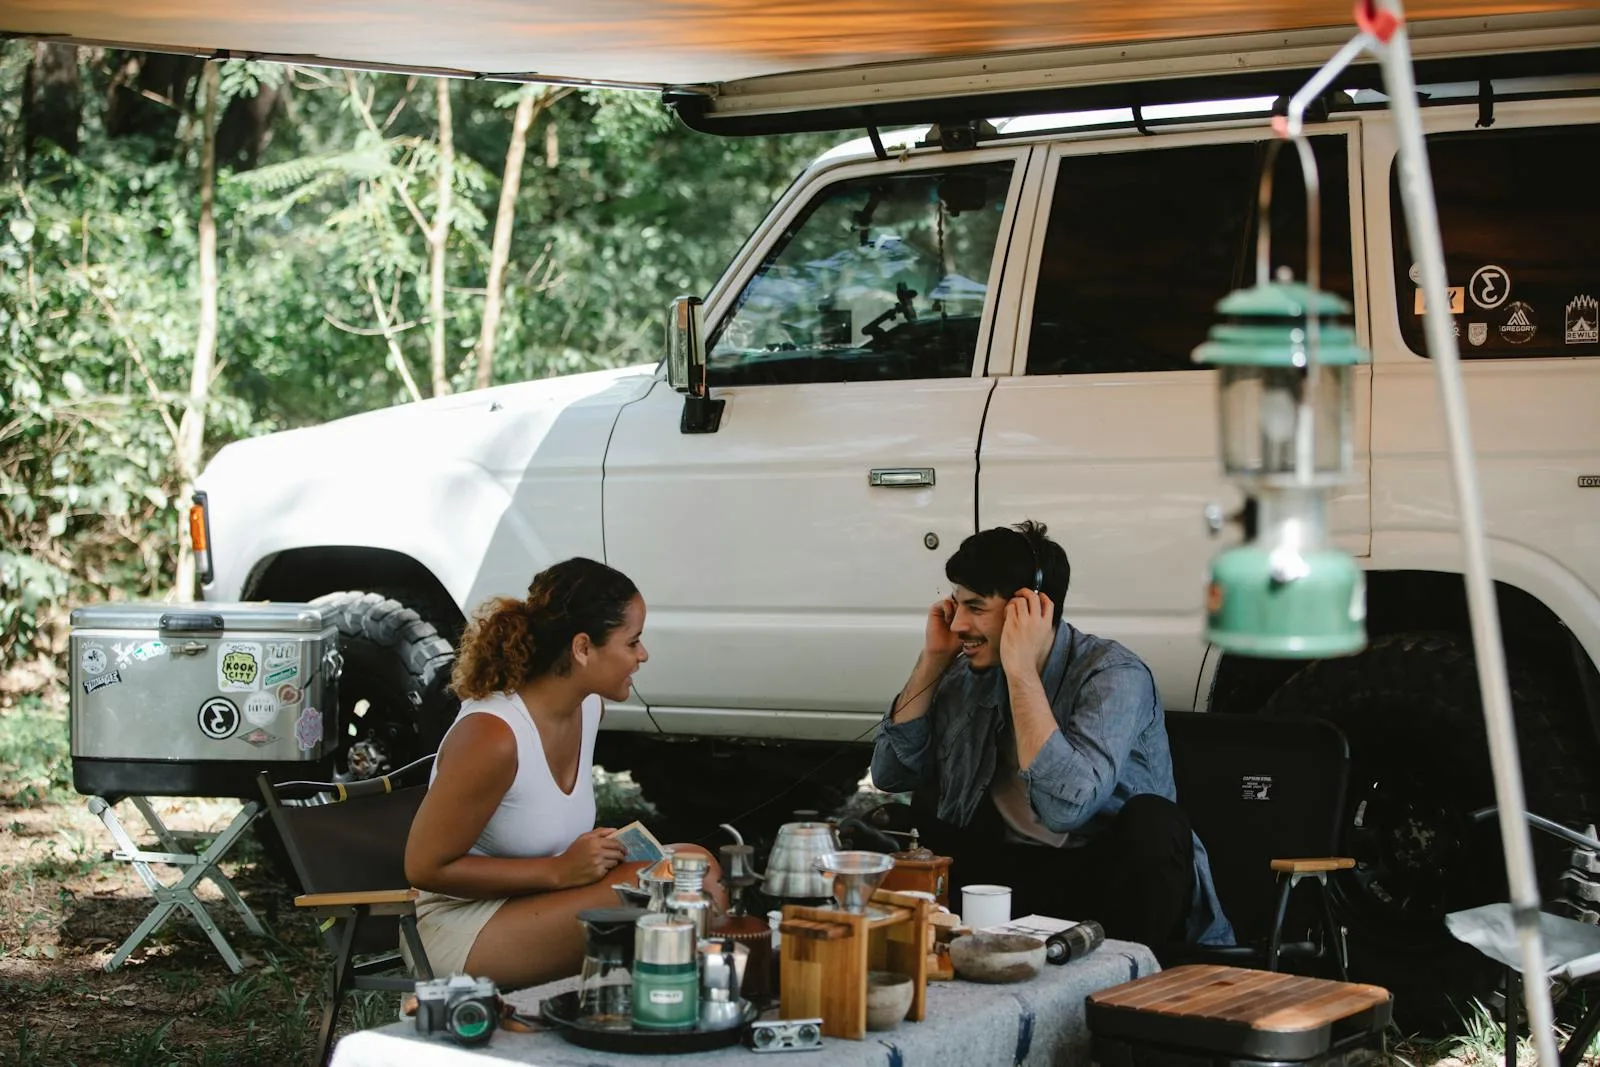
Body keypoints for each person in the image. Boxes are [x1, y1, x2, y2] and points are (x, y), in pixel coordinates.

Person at [870, 521, 1233, 948]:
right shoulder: (966, 673)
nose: (958, 624)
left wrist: (1022, 671)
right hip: (1008, 877)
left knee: (1155, 823)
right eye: (956, 605)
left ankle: (1125, 979)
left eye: (976, 607)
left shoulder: (1112, 674)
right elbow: (890, 775)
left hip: (1103, 879)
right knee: (884, 826)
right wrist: (932, 661)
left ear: (1030, 607)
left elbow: (1065, 810)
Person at [404, 557, 725, 988]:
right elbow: (424, 868)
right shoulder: (493, 735)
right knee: (662, 894)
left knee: (693, 866)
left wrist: (591, 856)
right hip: (457, 927)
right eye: (632, 642)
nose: (642, 655)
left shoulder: (588, 707)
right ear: (582, 648)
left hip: (534, 903)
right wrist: (558, 870)